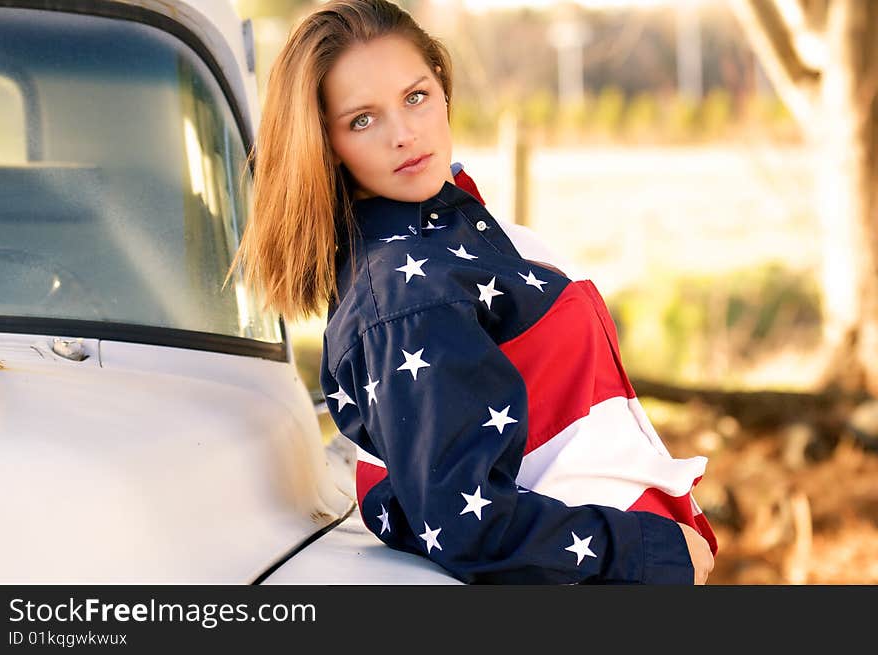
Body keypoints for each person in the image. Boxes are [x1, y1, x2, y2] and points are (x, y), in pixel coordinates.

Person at [228, 0, 716, 584]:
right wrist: (648, 551)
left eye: (416, 96)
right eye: (363, 119)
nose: (404, 135)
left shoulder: (448, 226)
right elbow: (466, 523)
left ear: (443, 87)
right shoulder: (408, 294)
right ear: (326, 142)